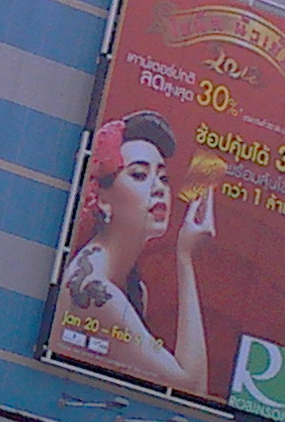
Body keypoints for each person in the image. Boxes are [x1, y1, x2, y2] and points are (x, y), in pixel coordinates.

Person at [52, 112, 216, 395]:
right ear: (101, 199)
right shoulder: (95, 290)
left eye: (163, 177)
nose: (158, 188)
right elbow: (192, 387)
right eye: (139, 175)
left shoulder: (134, 288)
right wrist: (185, 258)